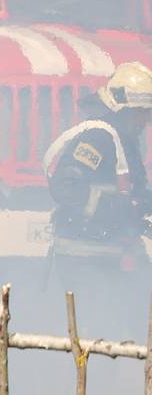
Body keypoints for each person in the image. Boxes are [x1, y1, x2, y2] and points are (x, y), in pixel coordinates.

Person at [43, 61, 152, 310]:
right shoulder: (97, 137)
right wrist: (120, 208)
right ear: (123, 109)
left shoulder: (124, 140)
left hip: (110, 254)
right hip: (85, 257)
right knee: (99, 329)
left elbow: (131, 191)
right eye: (141, 112)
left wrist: (142, 204)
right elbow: (66, 187)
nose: (145, 121)